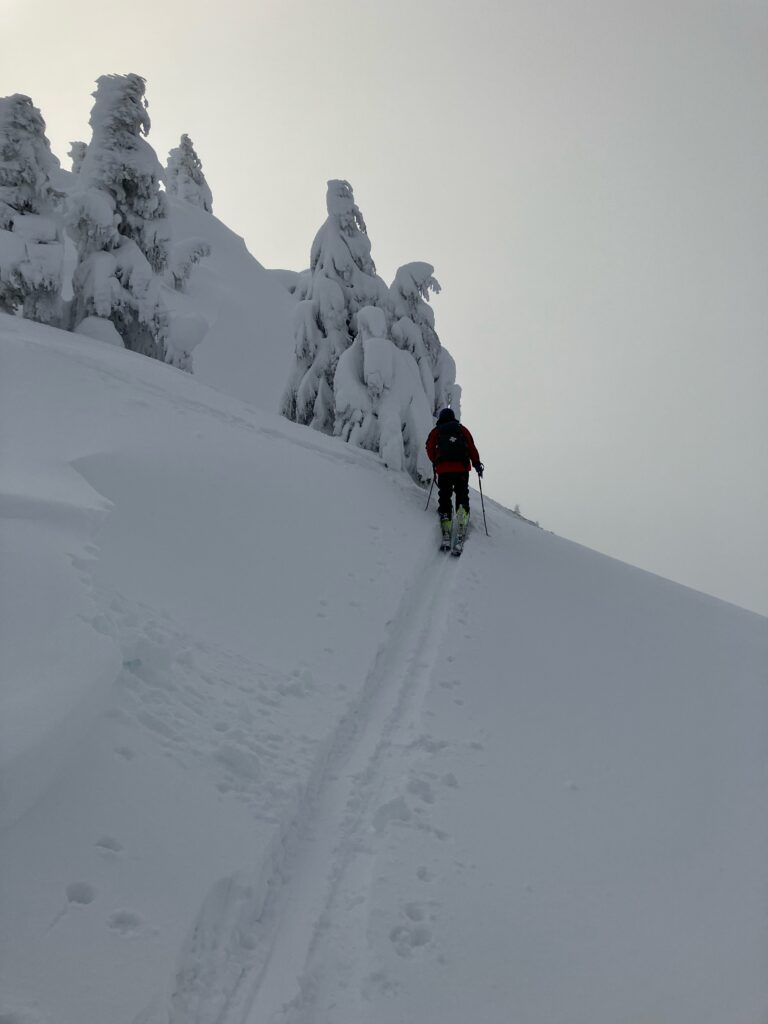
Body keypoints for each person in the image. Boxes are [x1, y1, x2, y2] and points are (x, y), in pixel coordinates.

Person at [425, 408, 483, 543]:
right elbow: (471, 447)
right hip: (461, 469)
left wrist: (436, 461)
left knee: (445, 495)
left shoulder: (437, 431)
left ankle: (446, 521)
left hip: (444, 470)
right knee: (462, 494)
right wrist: (477, 464)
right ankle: (462, 519)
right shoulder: (462, 429)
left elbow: (429, 448)